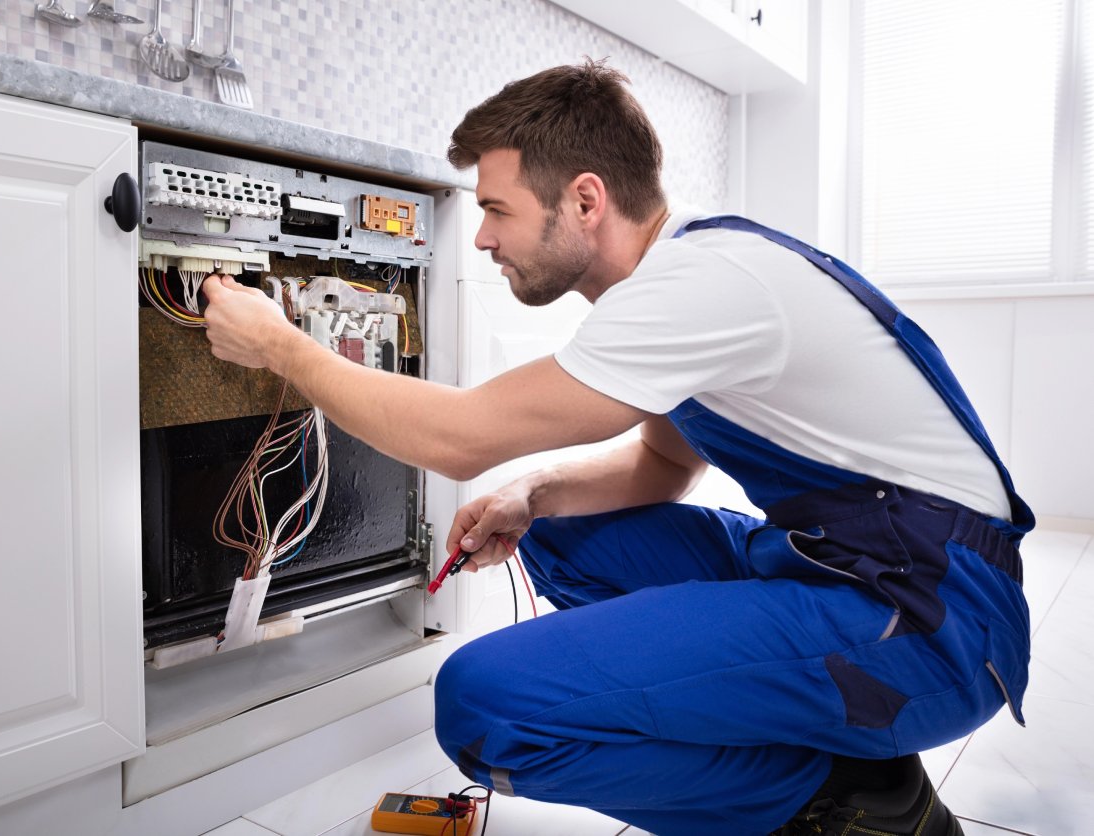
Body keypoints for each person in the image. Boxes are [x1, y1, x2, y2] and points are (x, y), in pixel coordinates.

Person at [202, 59, 1031, 836]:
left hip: (936, 623)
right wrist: (535, 494)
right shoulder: (683, 274)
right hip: (845, 566)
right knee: (560, 529)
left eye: (497, 209)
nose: (484, 238)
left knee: (485, 708)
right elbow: (666, 465)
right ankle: (786, 728)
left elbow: (455, 440)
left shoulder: (699, 286)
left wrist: (282, 345)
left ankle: (844, 798)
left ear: (586, 200)